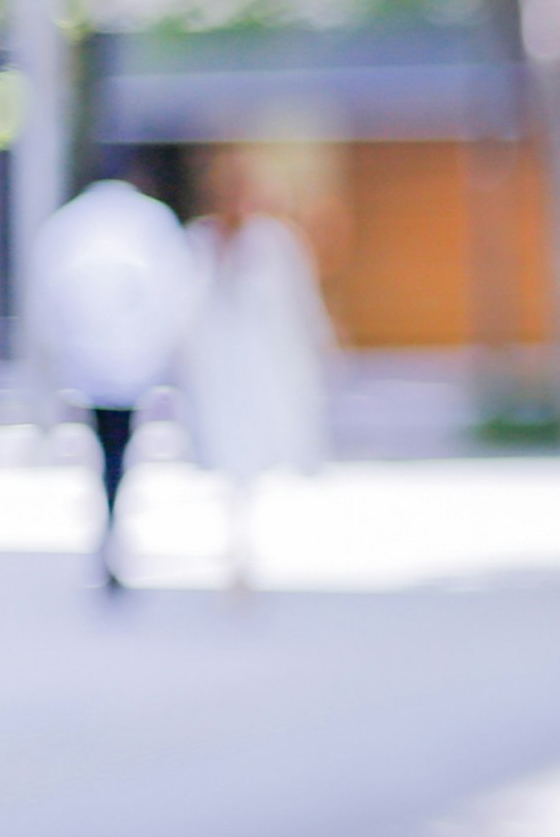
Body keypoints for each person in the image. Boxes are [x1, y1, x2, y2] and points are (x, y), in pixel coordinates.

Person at [26, 175, 201, 592]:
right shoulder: (149, 222)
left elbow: (46, 299)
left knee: (107, 446)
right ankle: (112, 516)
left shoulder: (68, 224)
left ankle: (110, 517)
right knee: (118, 447)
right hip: (129, 365)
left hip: (91, 363)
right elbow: (176, 294)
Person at [180, 175, 338, 594]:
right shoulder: (201, 242)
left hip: (262, 367)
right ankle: (236, 546)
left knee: (257, 447)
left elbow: (299, 302)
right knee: (228, 451)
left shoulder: (274, 242)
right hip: (219, 370)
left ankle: (244, 547)